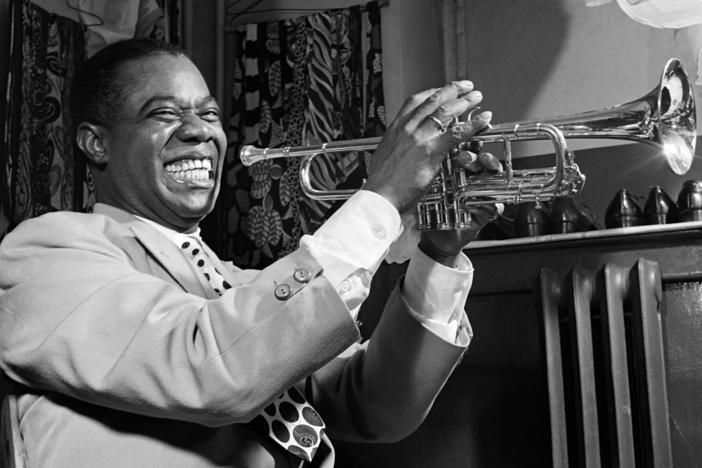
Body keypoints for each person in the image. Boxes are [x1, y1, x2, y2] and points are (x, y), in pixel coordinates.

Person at [0, 38, 500, 468]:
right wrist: (382, 199)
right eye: (164, 113)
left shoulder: (235, 285)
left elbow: (374, 407)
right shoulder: (44, 253)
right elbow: (210, 369)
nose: (201, 131)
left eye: (210, 113)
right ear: (95, 144)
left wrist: (436, 252)